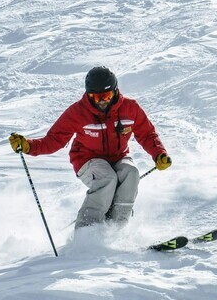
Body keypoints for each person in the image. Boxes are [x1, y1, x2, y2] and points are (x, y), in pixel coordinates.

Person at [9, 66, 172, 229]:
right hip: (87, 160)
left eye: (106, 96)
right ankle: (86, 230)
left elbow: (147, 134)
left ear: (115, 92)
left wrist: (159, 154)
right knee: (107, 178)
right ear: (88, 94)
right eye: (95, 97)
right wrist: (28, 146)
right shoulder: (78, 112)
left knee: (131, 173)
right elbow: (54, 139)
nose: (101, 101)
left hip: (118, 157)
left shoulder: (130, 108)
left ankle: (117, 227)